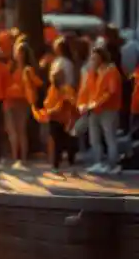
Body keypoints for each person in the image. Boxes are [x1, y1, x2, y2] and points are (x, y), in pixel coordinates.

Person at [81, 46, 123, 174]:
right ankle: (98, 162)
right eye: (92, 58)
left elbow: (111, 92)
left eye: (94, 58)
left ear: (101, 58)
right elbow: (90, 89)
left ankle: (113, 165)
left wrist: (96, 103)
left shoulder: (111, 71)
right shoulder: (96, 72)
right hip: (95, 109)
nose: (92, 60)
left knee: (110, 137)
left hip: (108, 109)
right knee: (95, 137)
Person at [33, 69, 80, 172]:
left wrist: (73, 117)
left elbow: (72, 103)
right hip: (54, 119)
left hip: (65, 120)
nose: (56, 79)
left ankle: (70, 161)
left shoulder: (67, 89)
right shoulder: (52, 89)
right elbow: (48, 104)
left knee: (67, 141)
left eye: (58, 77)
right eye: (54, 77)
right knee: (56, 142)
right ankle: (56, 164)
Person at [4, 41, 42, 166]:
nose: (18, 55)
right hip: (10, 100)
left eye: (20, 52)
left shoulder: (27, 70)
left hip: (22, 101)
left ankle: (22, 158)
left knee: (20, 130)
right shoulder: (11, 66)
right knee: (13, 131)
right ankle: (16, 157)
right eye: (17, 52)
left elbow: (38, 83)